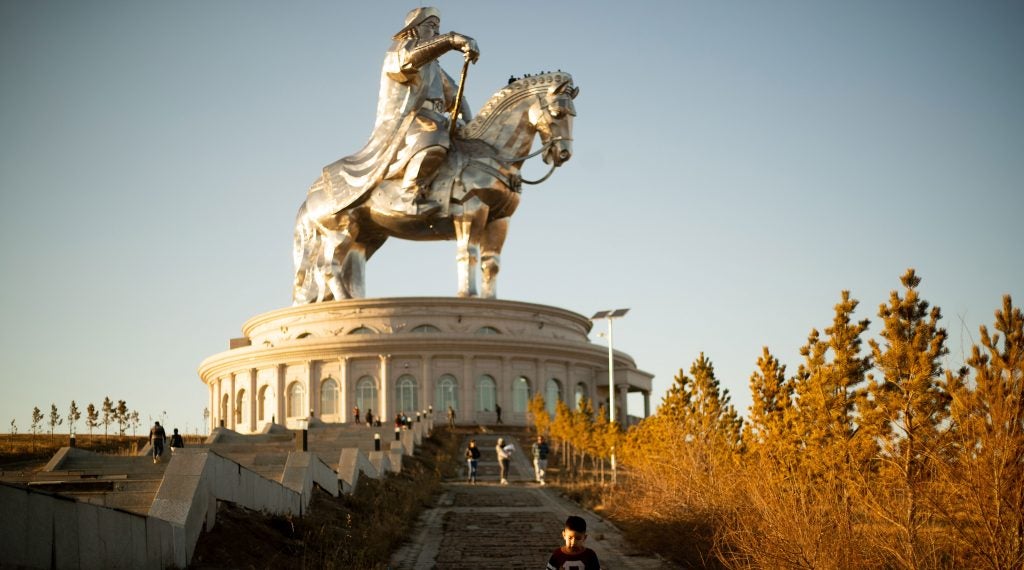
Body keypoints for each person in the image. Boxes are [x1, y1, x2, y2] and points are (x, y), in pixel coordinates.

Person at [318, 6, 480, 217]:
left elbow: (457, 97)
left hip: (439, 118)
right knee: (434, 137)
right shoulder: (399, 51)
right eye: (432, 26)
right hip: (411, 120)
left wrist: (469, 124)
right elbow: (410, 59)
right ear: (416, 28)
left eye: (438, 29)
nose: (436, 33)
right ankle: (408, 194)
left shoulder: (435, 68)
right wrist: (450, 40)